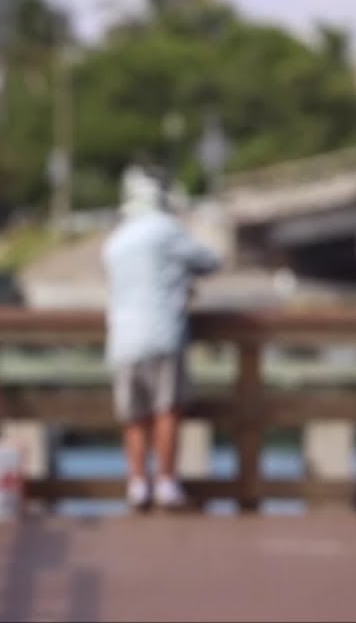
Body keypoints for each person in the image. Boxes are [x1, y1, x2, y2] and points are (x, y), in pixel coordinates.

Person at [101, 167, 221, 511]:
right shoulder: (167, 230)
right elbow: (211, 261)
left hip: (123, 337)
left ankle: (138, 484)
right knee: (166, 409)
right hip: (162, 332)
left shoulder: (117, 240)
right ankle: (167, 483)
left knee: (134, 415)